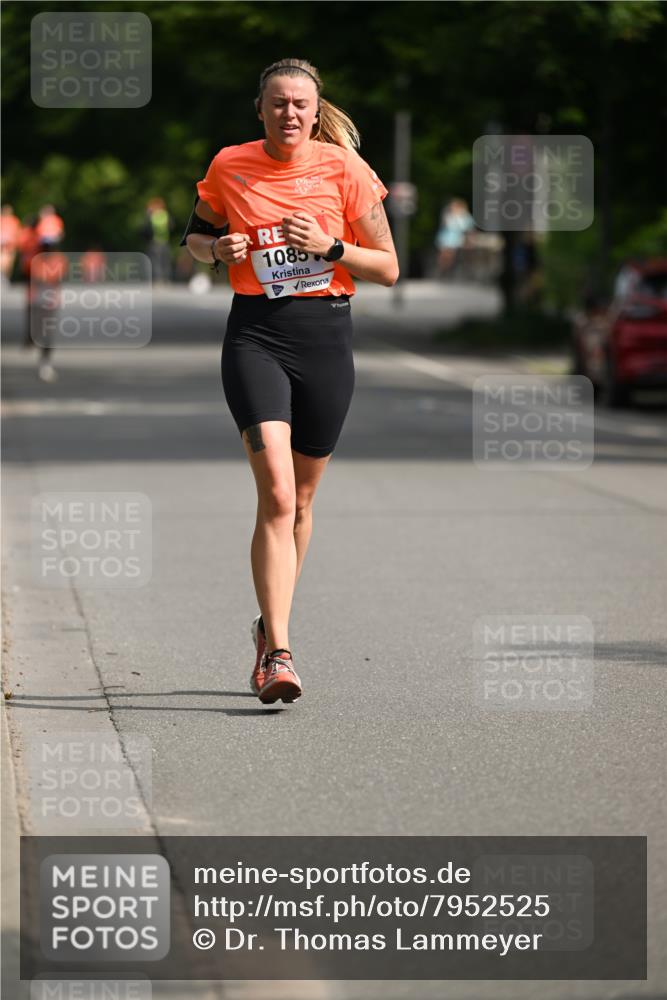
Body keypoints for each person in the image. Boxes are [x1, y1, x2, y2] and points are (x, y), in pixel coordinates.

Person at [182, 57, 398, 705]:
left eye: (300, 103)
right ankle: (278, 652)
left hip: (326, 338)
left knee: (302, 503)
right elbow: (194, 236)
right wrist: (214, 252)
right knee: (276, 494)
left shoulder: (345, 169)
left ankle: (266, 625)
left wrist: (330, 247)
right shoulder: (230, 165)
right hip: (256, 335)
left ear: (315, 109)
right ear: (260, 109)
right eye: (277, 103)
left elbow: (387, 267)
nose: (289, 113)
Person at [435, 198, 475, 277]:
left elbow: (468, 228)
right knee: (445, 254)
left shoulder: (465, 216)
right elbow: (446, 225)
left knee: (450, 254)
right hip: (447, 238)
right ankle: (444, 270)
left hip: (457, 239)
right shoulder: (449, 215)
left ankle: (447, 270)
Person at [143, 197, 173, 282]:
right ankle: (166, 279)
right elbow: (171, 226)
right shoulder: (165, 215)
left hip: (155, 241)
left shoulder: (152, 216)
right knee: (165, 261)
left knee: (155, 261)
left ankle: (157, 279)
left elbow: (146, 228)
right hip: (165, 241)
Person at [0, 204, 22, 281]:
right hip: (2, 246)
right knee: (3, 262)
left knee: (9, 264)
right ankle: (3, 278)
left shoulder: (14, 220)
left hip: (11, 246)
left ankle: (6, 278)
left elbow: (18, 233)